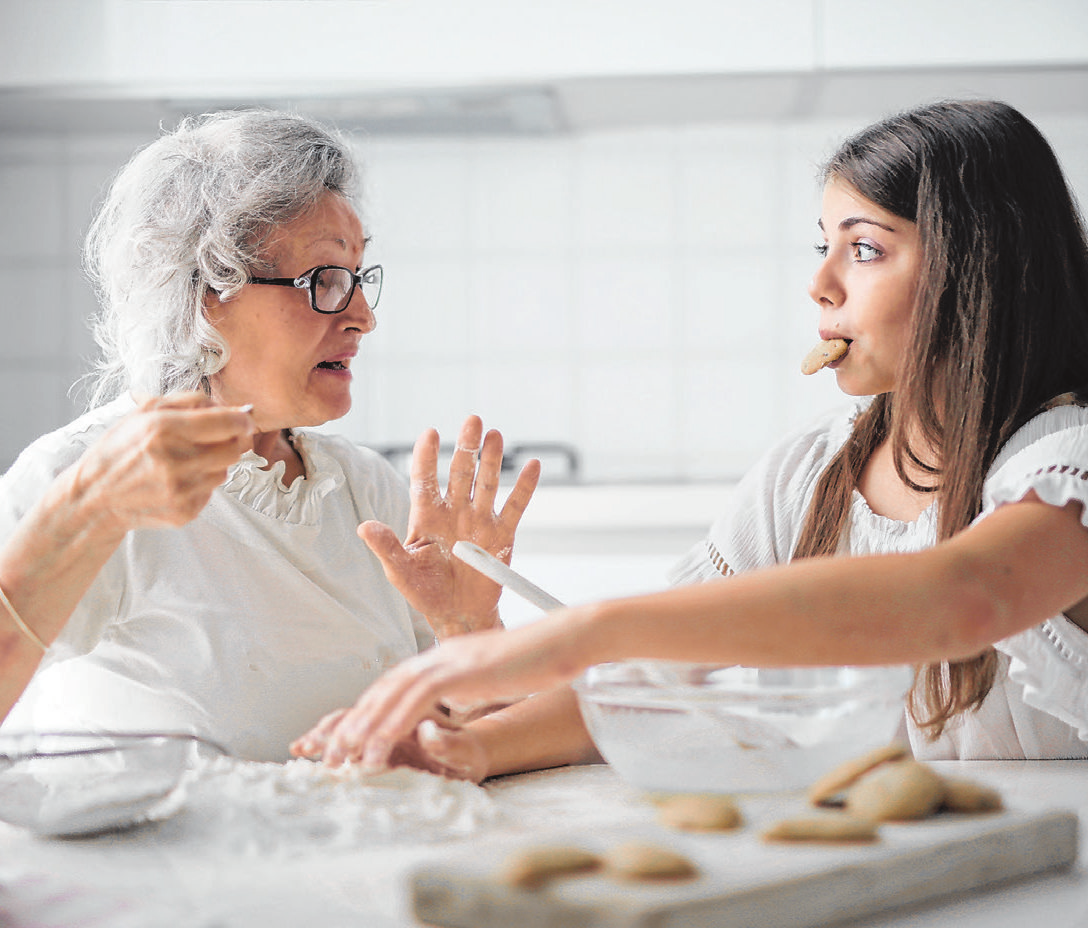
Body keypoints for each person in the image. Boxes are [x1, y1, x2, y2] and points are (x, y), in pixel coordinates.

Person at [293, 99, 1088, 777]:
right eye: (824, 246)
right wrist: (465, 750)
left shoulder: (1064, 464)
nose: (821, 282)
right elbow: (649, 680)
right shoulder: (806, 476)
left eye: (866, 247)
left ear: (979, 271)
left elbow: (964, 597)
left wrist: (588, 629)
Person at [0, 110, 538, 762]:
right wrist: (84, 511)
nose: (362, 317)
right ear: (202, 293)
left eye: (359, 277)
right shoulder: (79, 474)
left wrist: (469, 628)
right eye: (325, 280)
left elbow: (472, 745)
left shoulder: (365, 488)